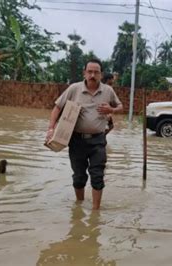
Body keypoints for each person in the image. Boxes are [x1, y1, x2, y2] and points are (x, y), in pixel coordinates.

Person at [46, 59, 123, 209]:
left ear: (101, 74)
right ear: (85, 73)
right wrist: (51, 128)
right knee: (79, 177)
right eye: (90, 71)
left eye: (96, 72)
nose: (93, 75)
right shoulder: (74, 89)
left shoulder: (108, 91)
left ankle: (95, 212)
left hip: (98, 141)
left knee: (97, 176)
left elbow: (120, 106)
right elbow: (57, 108)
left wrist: (111, 110)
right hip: (76, 141)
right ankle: (79, 206)